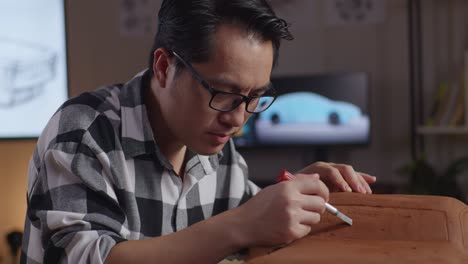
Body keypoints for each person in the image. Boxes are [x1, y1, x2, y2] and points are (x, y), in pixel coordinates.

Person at [20, 0, 376, 263]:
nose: (238, 119)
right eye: (222, 93)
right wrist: (240, 225)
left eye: (255, 97)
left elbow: (249, 225)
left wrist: (295, 192)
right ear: (164, 67)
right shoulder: (83, 132)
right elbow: (82, 258)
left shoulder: (218, 148)